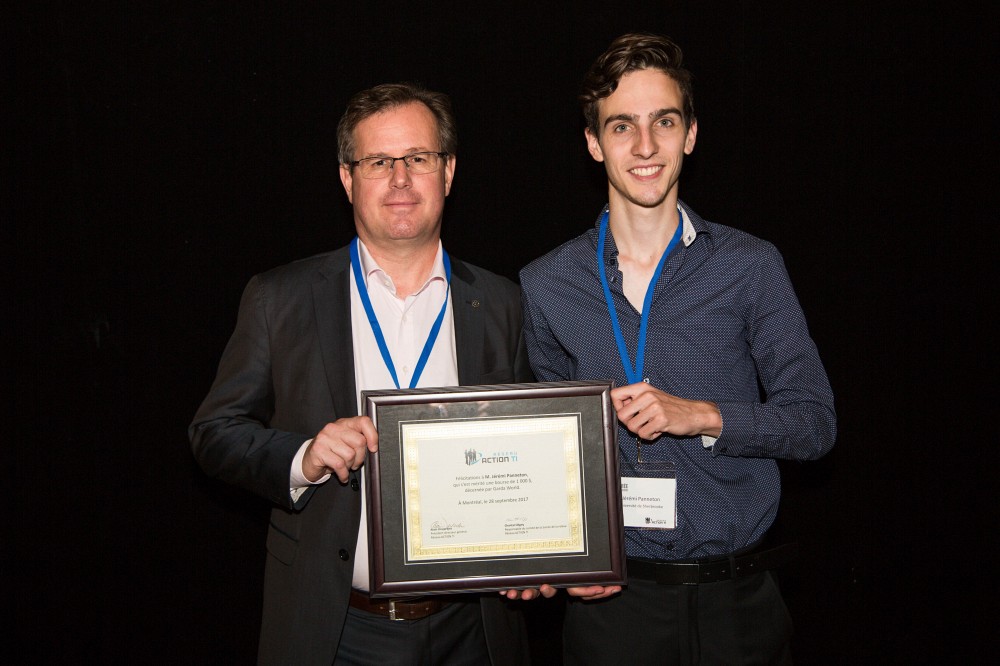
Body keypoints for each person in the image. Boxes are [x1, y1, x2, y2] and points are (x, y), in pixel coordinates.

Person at [519, 33, 836, 664]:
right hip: (613, 610)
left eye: (663, 122)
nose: (644, 147)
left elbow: (815, 422)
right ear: (593, 143)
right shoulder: (547, 284)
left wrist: (705, 416)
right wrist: (557, 551)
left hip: (738, 604)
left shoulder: (751, 266)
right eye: (621, 127)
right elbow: (546, 455)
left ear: (690, 133)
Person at [190, 82, 533, 665]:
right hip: (337, 630)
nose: (400, 179)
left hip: (472, 630)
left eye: (418, 159)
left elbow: (526, 448)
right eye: (379, 162)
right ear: (348, 178)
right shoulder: (281, 298)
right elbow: (214, 432)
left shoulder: (501, 302)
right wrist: (304, 456)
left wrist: (535, 552)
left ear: (448, 172)